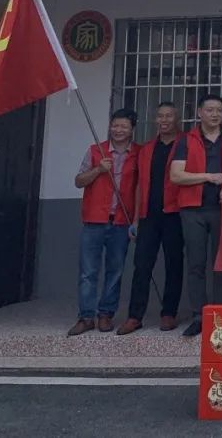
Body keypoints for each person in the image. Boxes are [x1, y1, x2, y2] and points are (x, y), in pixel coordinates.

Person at [170, 94, 222, 337]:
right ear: (199, 112)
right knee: (196, 264)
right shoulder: (186, 140)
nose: (215, 114)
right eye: (210, 110)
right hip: (193, 209)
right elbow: (176, 176)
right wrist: (209, 177)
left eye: (219, 110)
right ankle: (199, 316)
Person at [68, 109, 140, 337]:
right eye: (115, 125)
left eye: (124, 126)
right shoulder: (95, 151)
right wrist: (99, 169)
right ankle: (86, 317)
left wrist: (136, 220)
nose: (118, 130)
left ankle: (106, 314)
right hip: (94, 220)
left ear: (132, 129)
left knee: (115, 271)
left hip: (121, 221)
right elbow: (79, 181)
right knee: (88, 272)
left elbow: (141, 188)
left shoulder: (138, 154)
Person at [117, 102, 184, 336]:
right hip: (148, 216)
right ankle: (135, 316)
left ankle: (169, 313)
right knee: (142, 266)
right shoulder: (146, 149)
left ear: (177, 119)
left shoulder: (185, 144)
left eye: (169, 116)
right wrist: (136, 218)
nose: (164, 120)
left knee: (174, 264)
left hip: (175, 214)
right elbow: (139, 185)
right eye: (160, 116)